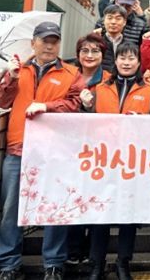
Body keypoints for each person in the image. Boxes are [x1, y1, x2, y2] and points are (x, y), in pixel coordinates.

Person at [0, 22, 84, 280]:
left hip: (55, 151)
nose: (49, 46)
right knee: (11, 209)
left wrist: (47, 106)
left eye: (54, 41)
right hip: (18, 147)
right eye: (45, 40)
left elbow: (75, 103)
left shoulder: (71, 73)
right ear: (33, 43)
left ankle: (54, 264)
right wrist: (10, 78)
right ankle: (8, 264)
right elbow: (1, 101)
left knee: (55, 206)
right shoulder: (17, 70)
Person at [79, 42, 150, 280]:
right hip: (103, 160)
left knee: (128, 214)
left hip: (133, 162)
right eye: (122, 58)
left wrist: (143, 121)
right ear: (115, 61)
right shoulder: (99, 89)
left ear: (139, 62)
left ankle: (123, 262)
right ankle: (96, 264)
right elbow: (84, 124)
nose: (126, 62)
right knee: (100, 213)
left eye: (131, 58)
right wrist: (86, 106)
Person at [66, 34, 111, 267]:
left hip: (100, 150)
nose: (90, 55)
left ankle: (93, 251)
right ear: (78, 54)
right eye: (85, 50)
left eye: (95, 51)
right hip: (70, 147)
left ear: (103, 55)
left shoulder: (110, 80)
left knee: (96, 198)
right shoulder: (68, 76)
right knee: (74, 195)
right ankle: (73, 249)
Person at [96, 5, 128, 71]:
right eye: (109, 18)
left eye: (118, 19)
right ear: (104, 21)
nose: (113, 22)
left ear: (124, 22)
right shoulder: (96, 42)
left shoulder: (130, 46)